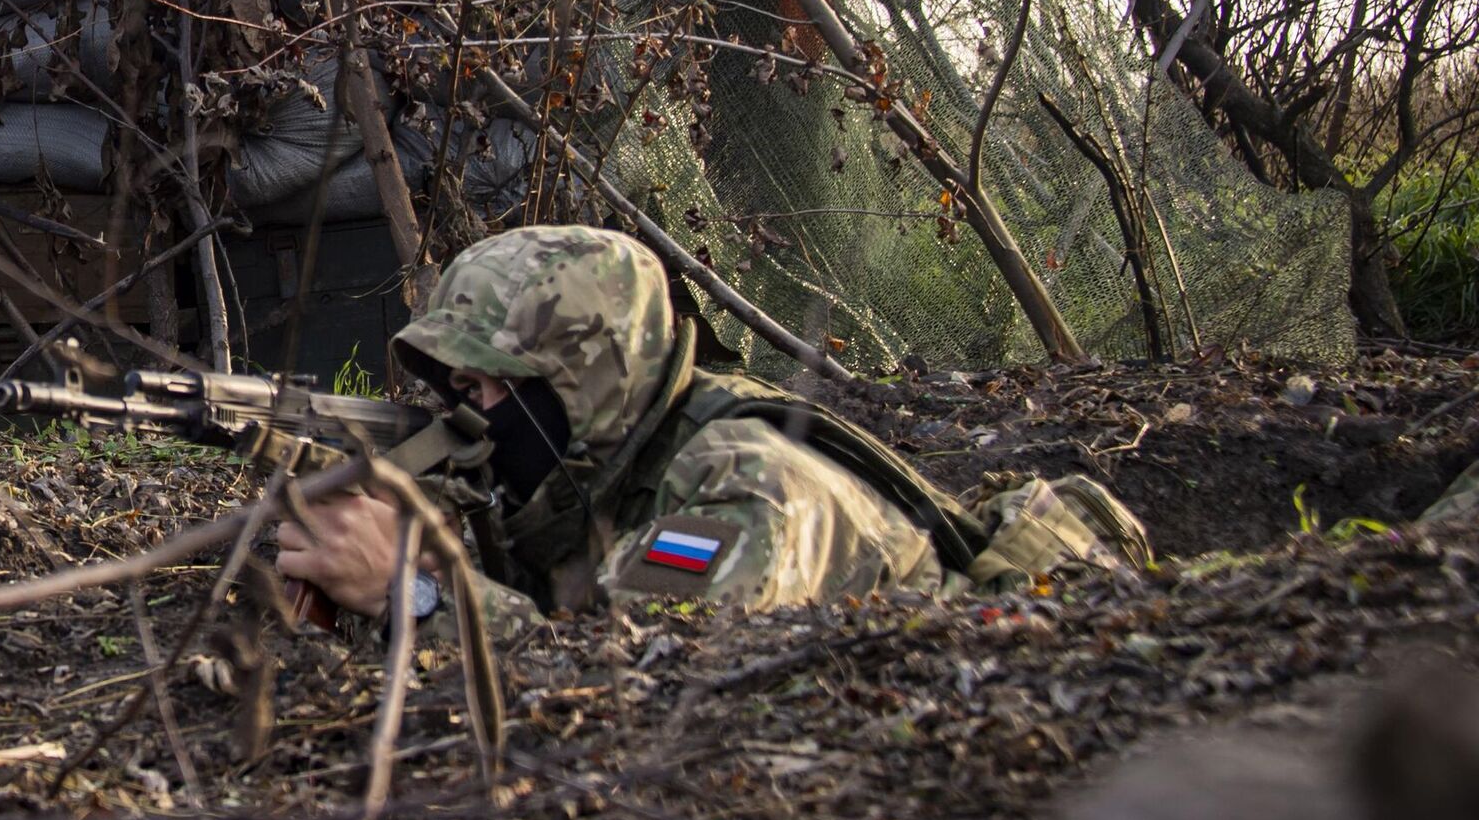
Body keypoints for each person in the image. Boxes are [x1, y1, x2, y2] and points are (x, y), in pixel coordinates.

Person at [275, 225, 1147, 638]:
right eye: (453, 387)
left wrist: (413, 592)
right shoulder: (598, 472)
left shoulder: (742, 486)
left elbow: (632, 674)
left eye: (482, 389)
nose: (462, 418)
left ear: (584, 382)